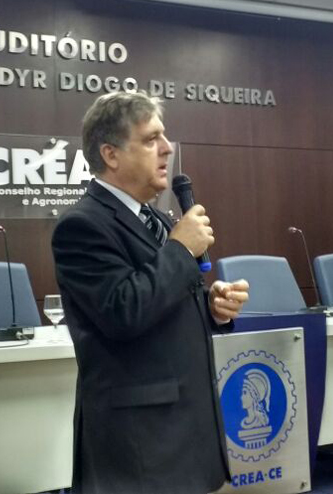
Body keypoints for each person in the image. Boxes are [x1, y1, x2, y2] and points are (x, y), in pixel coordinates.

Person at [52, 90, 249, 494]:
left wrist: (211, 307)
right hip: (138, 446)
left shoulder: (156, 218)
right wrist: (180, 250)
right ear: (111, 154)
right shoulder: (82, 226)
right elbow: (123, 312)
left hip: (187, 431)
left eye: (164, 136)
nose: (166, 148)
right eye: (150, 139)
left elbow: (160, 301)